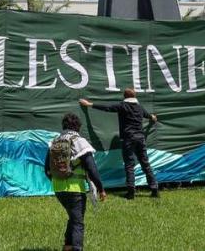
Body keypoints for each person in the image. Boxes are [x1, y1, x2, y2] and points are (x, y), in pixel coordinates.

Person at [79, 88, 159, 199]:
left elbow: (107, 108)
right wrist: (153, 117)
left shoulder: (123, 106)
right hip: (140, 138)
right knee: (145, 164)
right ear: (134, 96)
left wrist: (89, 104)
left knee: (129, 165)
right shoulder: (139, 107)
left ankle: (131, 192)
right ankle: (154, 189)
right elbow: (148, 115)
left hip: (128, 138)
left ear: (124, 96)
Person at [45, 113, 106, 251]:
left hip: (58, 189)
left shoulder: (54, 142)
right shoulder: (80, 141)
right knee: (78, 222)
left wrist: (59, 179)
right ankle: (77, 248)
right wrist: (100, 188)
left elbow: (46, 169)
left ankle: (67, 246)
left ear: (64, 126)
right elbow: (92, 168)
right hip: (75, 189)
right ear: (78, 126)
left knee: (73, 217)